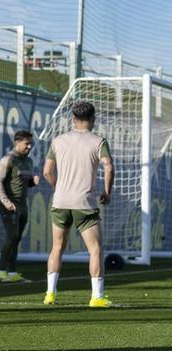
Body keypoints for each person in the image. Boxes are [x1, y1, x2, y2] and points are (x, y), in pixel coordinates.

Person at [42, 101, 114, 307]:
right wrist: (107, 192)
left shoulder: (58, 140)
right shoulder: (98, 141)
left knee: (57, 248)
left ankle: (50, 294)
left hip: (60, 202)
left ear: (73, 119)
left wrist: (59, 187)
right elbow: (109, 167)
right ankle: (97, 297)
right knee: (95, 249)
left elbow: (47, 172)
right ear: (93, 119)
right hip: (84, 202)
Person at [0, 130, 40, 283]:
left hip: (22, 204)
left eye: (31, 144)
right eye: (26, 144)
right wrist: (6, 201)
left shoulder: (29, 161)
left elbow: (25, 183)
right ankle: (1, 272)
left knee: (17, 238)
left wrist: (33, 182)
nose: (29, 147)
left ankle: (12, 273)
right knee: (11, 236)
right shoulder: (8, 159)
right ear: (16, 143)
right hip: (9, 204)